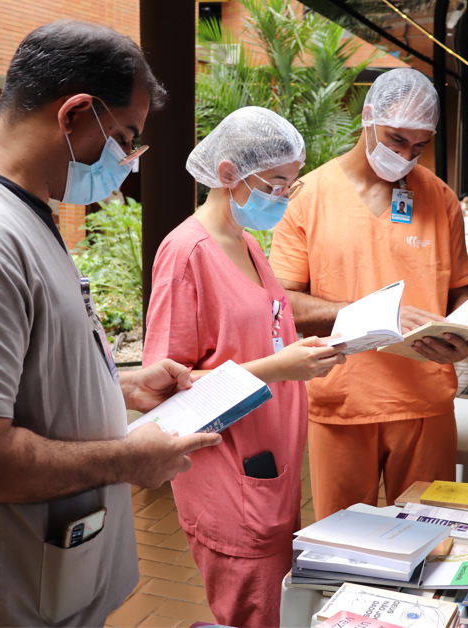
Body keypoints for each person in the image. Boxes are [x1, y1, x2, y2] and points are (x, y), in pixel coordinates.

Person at [0, 21, 222, 627]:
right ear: (75, 114)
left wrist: (124, 387)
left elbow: (16, 383)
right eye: (124, 137)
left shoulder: (18, 212)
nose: (127, 161)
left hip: (41, 582)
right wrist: (129, 459)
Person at [144, 107, 346, 627]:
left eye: (290, 185)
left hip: (271, 467)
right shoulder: (186, 253)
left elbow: (265, 332)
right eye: (276, 183)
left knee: (272, 606)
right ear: (229, 173)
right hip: (229, 474)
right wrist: (280, 367)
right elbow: (168, 389)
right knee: (251, 614)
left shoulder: (249, 243)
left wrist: (307, 353)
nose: (283, 197)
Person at [270, 68, 468, 521]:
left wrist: (466, 339)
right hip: (342, 402)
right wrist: (376, 314)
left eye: (419, 146)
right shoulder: (309, 197)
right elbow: (283, 304)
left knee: (431, 543)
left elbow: (462, 296)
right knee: (343, 550)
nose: (405, 156)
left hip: (426, 405)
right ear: (368, 117)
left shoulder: (439, 199)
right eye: (396, 140)